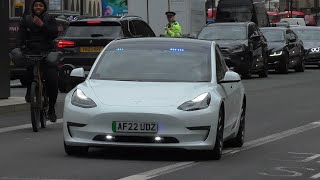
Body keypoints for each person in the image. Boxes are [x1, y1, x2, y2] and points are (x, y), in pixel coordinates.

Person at [18, 0, 59, 122]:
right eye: (36, 5)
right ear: (33, 7)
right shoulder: (26, 19)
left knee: (52, 80)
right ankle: (29, 91)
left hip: (46, 52)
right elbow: (20, 36)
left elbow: (54, 34)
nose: (38, 7)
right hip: (31, 52)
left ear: (44, 7)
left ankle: (51, 108)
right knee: (28, 71)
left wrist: (42, 25)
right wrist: (21, 47)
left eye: (40, 5)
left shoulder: (49, 19)